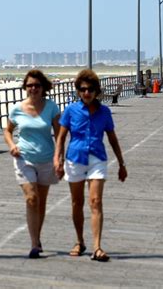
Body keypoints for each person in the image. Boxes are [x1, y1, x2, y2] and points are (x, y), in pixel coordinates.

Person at [53, 69, 127, 262]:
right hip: (75, 158)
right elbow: (61, 137)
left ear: (97, 91)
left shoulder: (104, 112)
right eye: (83, 89)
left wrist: (121, 163)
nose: (87, 93)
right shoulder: (70, 111)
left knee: (95, 201)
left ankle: (97, 247)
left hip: (97, 158)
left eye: (91, 89)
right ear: (78, 91)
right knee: (77, 202)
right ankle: (79, 241)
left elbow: (112, 138)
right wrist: (57, 159)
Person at [4, 69, 61, 259]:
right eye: (29, 85)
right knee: (31, 198)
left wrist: (59, 156)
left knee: (41, 201)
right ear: (25, 87)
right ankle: (34, 243)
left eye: (37, 85)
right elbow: (7, 130)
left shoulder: (52, 107)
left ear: (43, 87)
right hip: (24, 158)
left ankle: (37, 237)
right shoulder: (17, 109)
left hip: (46, 158)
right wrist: (12, 145)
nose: (33, 88)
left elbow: (59, 133)